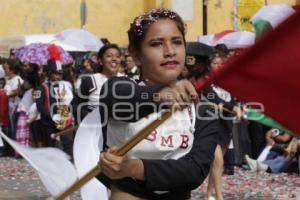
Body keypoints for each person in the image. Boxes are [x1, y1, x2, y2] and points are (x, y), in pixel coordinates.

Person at [97, 8, 219, 200]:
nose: (170, 52)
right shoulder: (119, 87)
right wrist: (160, 95)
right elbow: (119, 97)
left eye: (177, 42)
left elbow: (194, 170)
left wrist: (135, 168)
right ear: (136, 55)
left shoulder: (203, 111)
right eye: (156, 44)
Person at [76, 43, 122, 122]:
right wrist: (92, 119)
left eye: (117, 56)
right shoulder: (90, 81)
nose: (114, 59)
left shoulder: (128, 81)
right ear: (100, 61)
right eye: (109, 56)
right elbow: (77, 106)